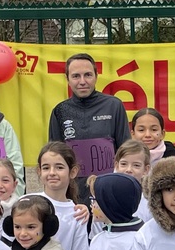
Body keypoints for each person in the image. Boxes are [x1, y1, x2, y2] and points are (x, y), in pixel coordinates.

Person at [48, 52, 130, 199]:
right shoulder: (60, 111)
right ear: (67, 79)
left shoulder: (113, 106)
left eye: (88, 75)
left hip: (108, 190)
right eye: (76, 76)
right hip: (73, 194)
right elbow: (54, 156)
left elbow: (125, 150)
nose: (82, 81)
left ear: (96, 76)